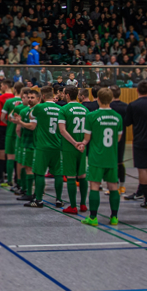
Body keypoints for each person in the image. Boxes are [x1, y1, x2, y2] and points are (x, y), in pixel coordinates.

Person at [80, 88, 124, 227]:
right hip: (111, 157)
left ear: (97, 99)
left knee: (94, 186)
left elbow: (87, 138)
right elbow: (118, 138)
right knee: (113, 187)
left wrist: (82, 144)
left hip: (96, 157)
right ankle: (114, 217)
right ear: (111, 99)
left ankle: (93, 217)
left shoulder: (91, 116)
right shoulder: (118, 117)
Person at [28, 86, 64, 207]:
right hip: (57, 145)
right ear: (52, 94)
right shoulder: (60, 108)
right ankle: (59, 199)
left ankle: (38, 200)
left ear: (42, 96)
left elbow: (31, 116)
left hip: (42, 146)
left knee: (39, 173)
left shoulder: (39, 107)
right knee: (58, 173)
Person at [57, 86, 89, 214]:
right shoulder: (85, 109)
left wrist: (74, 143)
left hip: (70, 146)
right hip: (82, 146)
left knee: (70, 176)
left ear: (68, 95)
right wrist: (82, 143)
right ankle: (83, 204)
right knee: (82, 175)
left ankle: (73, 206)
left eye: (64, 93)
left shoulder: (64, 109)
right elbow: (88, 130)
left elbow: (62, 130)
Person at [1, 82, 25, 195]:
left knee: (10, 156)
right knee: (22, 159)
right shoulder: (28, 104)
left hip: (11, 132)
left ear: (15, 89)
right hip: (24, 134)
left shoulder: (9, 102)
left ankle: (9, 180)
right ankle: (21, 181)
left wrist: (9, 124)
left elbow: (2, 117)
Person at [109, 86, 129, 194]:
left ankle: (113, 185)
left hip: (109, 138)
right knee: (120, 161)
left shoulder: (109, 106)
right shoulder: (125, 106)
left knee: (112, 162)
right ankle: (122, 186)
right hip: (122, 136)